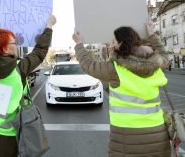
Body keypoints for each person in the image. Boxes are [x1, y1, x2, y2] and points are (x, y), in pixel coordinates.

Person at [0, 14, 56, 157]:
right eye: (14, 43)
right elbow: (39, 52)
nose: (17, 46)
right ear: (6, 49)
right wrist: (49, 27)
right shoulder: (19, 68)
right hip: (8, 135)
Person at [72, 21, 171, 157]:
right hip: (158, 133)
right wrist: (152, 34)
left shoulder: (115, 70)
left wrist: (78, 44)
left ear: (122, 43)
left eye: (114, 42)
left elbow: (89, 65)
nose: (110, 44)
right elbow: (164, 55)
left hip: (127, 136)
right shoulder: (157, 64)